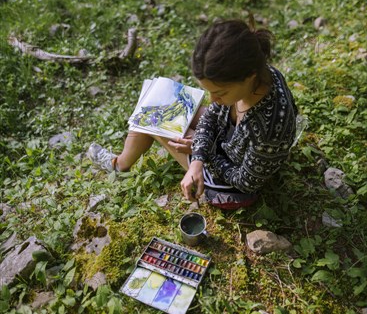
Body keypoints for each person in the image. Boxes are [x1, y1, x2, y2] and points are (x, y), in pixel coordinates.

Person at [87, 19, 297, 206]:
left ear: (249, 76)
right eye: (210, 91)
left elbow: (245, 182)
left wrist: (205, 152)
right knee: (159, 102)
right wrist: (197, 158)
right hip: (228, 144)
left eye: (219, 92)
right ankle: (123, 161)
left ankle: (119, 165)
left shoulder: (268, 131)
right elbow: (213, 114)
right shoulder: (255, 76)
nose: (213, 99)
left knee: (155, 118)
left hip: (230, 187)